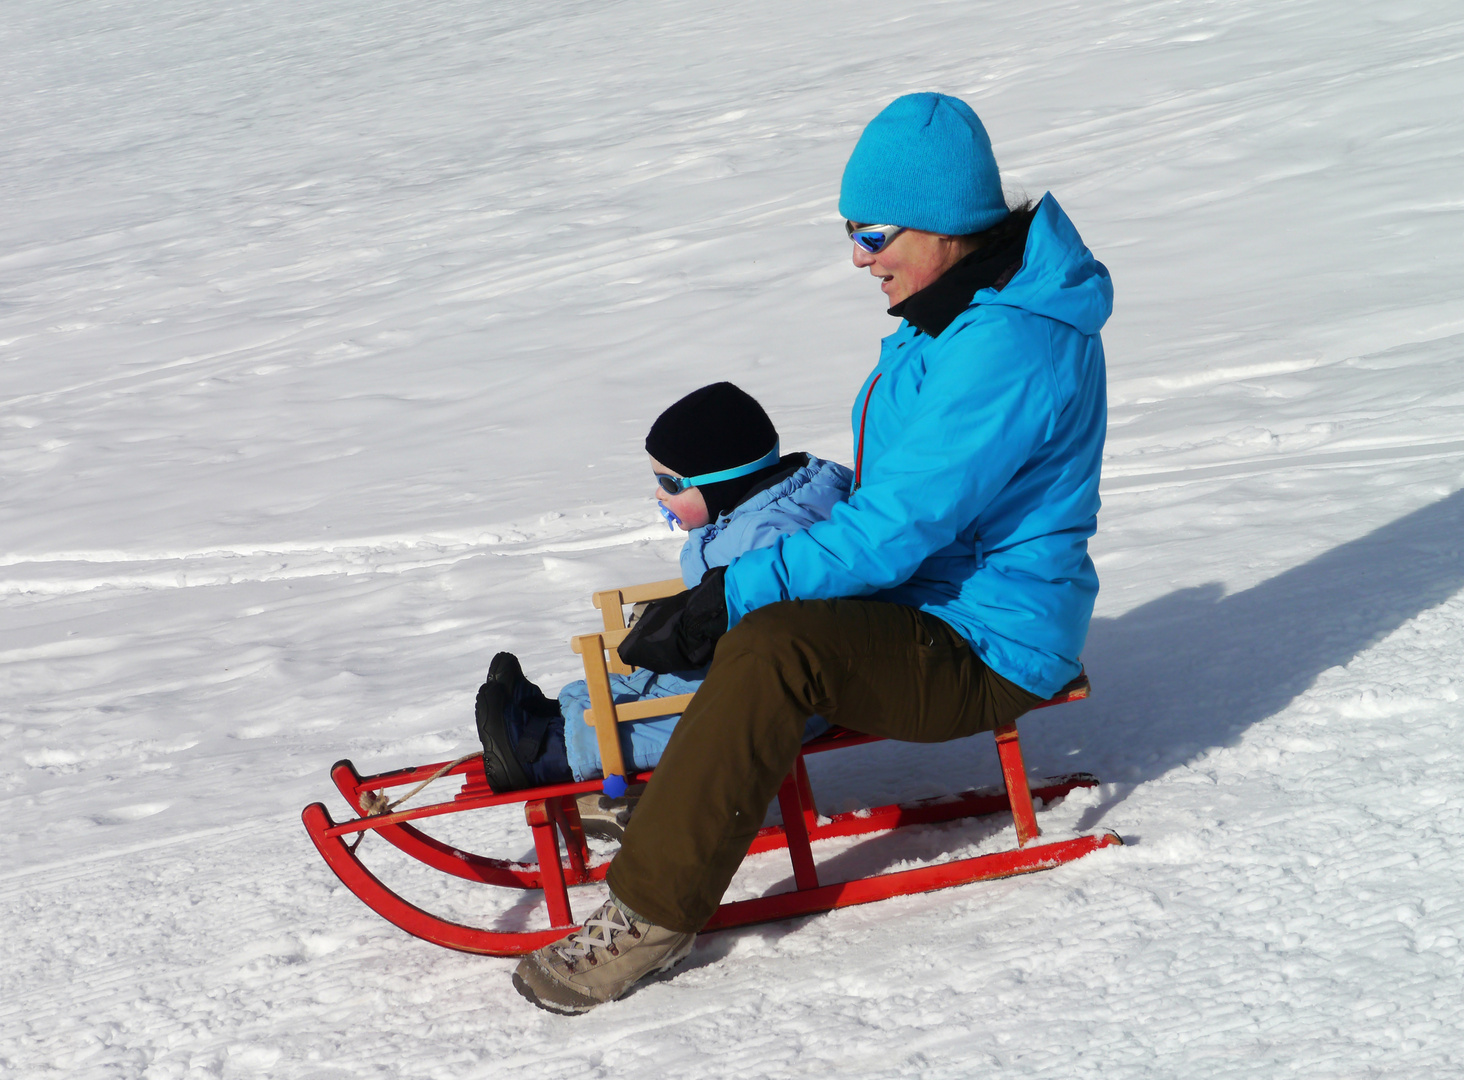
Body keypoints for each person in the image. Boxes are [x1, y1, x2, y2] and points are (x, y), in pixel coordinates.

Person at [511, 92, 1112, 1014]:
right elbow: (892, 525)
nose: (860, 259)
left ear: (944, 225)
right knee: (760, 613)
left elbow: (895, 529)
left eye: (874, 235)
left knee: (770, 644)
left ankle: (649, 914)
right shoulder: (955, 318)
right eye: (851, 235)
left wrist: (729, 599)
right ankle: (663, 772)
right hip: (930, 610)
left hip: (992, 642)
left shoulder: (1005, 348)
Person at [474, 382, 851, 833]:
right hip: (746, 667)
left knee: (677, 720)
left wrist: (693, 630)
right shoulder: (762, 507)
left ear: (724, 482)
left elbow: (776, 624)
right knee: (655, 685)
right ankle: (559, 716)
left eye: (669, 484)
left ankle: (550, 752)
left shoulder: (770, 534)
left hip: (787, 696)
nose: (658, 495)